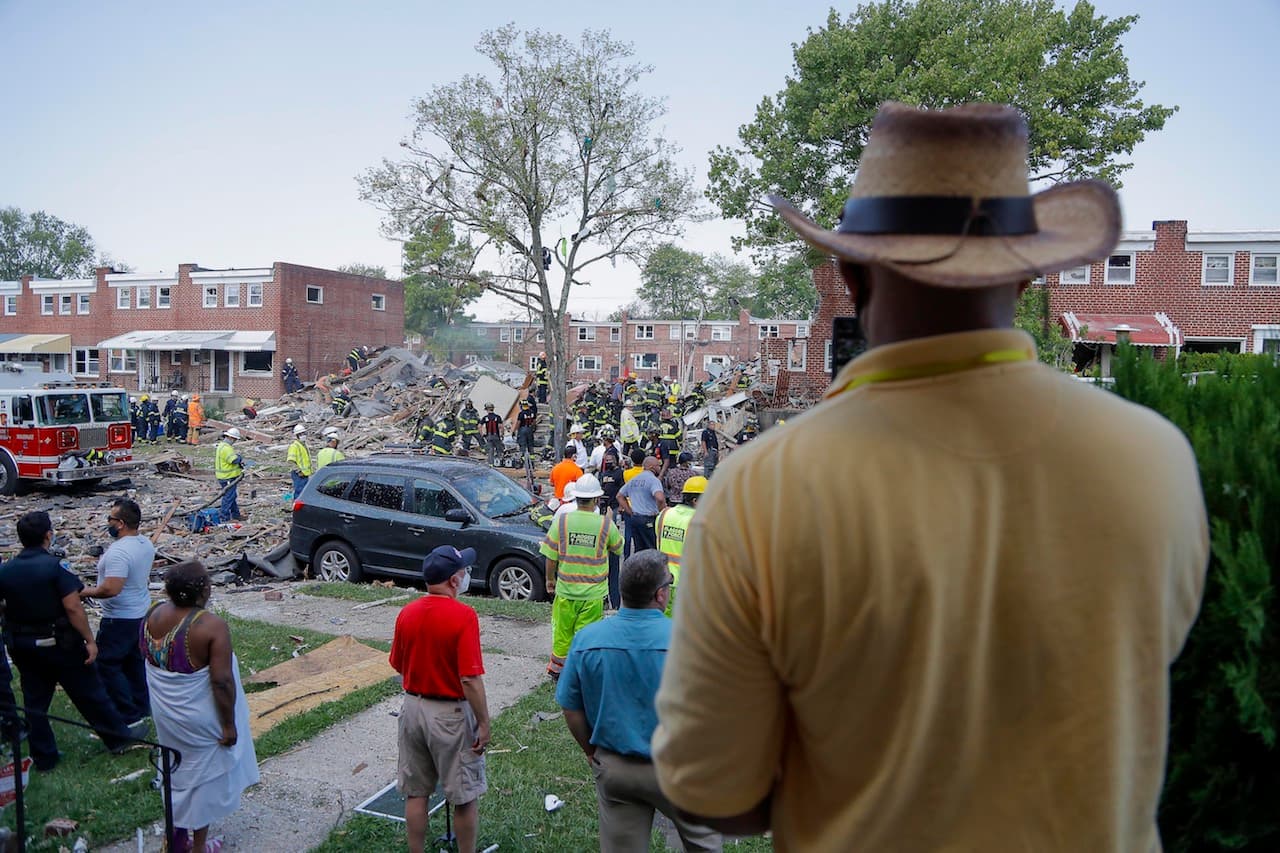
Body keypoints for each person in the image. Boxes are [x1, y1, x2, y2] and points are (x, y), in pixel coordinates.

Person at [651, 102, 1210, 851]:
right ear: (1024, 274)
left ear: (850, 274)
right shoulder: (1157, 457)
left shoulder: (761, 491)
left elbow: (713, 794)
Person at [557, 550, 722, 853]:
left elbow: (571, 706)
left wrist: (592, 751)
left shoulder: (587, 639)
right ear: (661, 595)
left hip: (617, 770)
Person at [0, 511, 144, 771]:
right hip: (60, 643)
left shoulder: (6, 570)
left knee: (35, 701)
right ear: (48, 535)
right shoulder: (56, 568)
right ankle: (118, 738)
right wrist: (89, 639)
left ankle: (44, 757)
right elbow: (73, 607)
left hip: (23, 644)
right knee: (90, 693)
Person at [141, 561, 259, 853]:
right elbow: (221, 681)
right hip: (201, 718)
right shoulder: (210, 626)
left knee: (176, 770)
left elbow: (149, 658)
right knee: (201, 779)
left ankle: (175, 838)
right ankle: (199, 847)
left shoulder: (153, 613)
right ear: (204, 589)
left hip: (166, 713)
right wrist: (229, 725)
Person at [390, 546, 491, 853]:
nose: (466, 576)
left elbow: (397, 663)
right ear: (453, 580)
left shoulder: (407, 612)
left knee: (417, 792)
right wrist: (484, 722)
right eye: (463, 571)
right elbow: (470, 679)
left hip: (412, 709)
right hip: (449, 715)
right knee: (463, 794)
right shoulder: (463, 616)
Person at [79, 497, 154, 727]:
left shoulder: (119, 553)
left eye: (110, 519)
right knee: (134, 663)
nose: (107, 523)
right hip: (140, 613)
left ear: (120, 523)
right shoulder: (145, 544)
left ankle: (126, 714)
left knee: (107, 665)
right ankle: (143, 708)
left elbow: (111, 588)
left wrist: (81, 592)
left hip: (119, 618)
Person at [541, 474, 623, 679]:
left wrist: (549, 580)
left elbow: (551, 556)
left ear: (576, 498)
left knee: (562, 632)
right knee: (586, 635)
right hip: (593, 593)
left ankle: (558, 671)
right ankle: (582, 671)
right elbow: (619, 548)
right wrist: (610, 522)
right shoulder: (605, 524)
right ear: (596, 499)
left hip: (566, 590)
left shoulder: (562, 521)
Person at [655, 476, 705, 617]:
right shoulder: (699, 521)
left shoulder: (664, 514)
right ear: (695, 501)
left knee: (663, 623)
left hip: (662, 581)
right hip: (686, 584)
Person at [616, 456, 665, 555]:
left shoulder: (634, 480)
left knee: (639, 550)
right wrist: (661, 511)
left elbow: (619, 496)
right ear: (652, 467)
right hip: (649, 519)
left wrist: (630, 511)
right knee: (652, 549)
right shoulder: (653, 480)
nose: (660, 467)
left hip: (635, 518)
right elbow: (660, 498)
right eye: (658, 465)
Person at [214, 428, 244, 522]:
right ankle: (224, 517)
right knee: (228, 497)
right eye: (234, 439)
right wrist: (239, 458)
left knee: (232, 496)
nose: (234, 441)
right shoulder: (226, 448)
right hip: (227, 477)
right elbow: (233, 460)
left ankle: (236, 515)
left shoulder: (222, 446)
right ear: (230, 438)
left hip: (226, 476)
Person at [286, 424, 312, 496]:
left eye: (304, 433)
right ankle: (297, 506)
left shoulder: (304, 445)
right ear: (297, 435)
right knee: (299, 492)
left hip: (305, 473)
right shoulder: (294, 446)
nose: (303, 435)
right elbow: (291, 461)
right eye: (300, 434)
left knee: (303, 493)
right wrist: (299, 471)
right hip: (299, 474)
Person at [479, 403, 504, 467]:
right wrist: (502, 435)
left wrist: (482, 434)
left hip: (489, 436)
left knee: (490, 450)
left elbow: (479, 426)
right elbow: (501, 427)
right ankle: (499, 462)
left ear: (487, 409)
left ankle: (491, 464)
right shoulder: (497, 417)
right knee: (499, 449)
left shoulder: (485, 418)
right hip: (496, 436)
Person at [516, 398, 538, 465]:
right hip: (530, 429)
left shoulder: (521, 413)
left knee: (522, 445)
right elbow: (534, 422)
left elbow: (518, 423)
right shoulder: (532, 412)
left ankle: (521, 461)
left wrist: (516, 431)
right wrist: (533, 428)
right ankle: (532, 461)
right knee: (530, 446)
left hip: (523, 430)